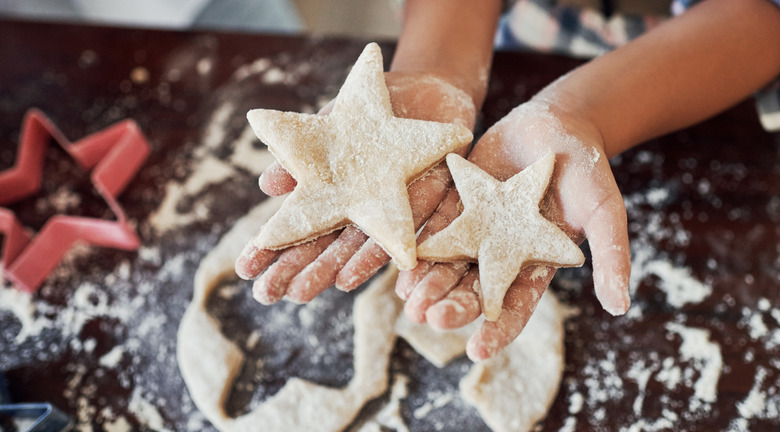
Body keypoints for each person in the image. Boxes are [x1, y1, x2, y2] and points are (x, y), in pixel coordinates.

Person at [235, 0, 780, 361]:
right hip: (511, 42)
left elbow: (763, 17)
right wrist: (438, 63)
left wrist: (585, 112)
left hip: (700, 81)